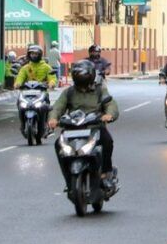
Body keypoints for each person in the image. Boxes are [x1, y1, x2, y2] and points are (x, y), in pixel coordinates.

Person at [48, 60, 120, 191]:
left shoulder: (99, 90)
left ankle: (105, 174)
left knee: (107, 141)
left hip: (94, 128)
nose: (81, 78)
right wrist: (53, 119)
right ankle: (68, 178)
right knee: (58, 144)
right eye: (78, 74)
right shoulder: (68, 92)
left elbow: (110, 104)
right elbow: (58, 107)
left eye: (84, 74)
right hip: (72, 129)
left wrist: (109, 115)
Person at [15, 44, 58, 130]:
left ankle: (47, 124)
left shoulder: (46, 67)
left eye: (36, 54)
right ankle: (23, 123)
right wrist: (18, 83)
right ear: (29, 55)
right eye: (32, 54)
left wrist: (51, 83)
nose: (34, 55)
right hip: (27, 92)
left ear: (40, 55)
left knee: (46, 107)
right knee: (20, 104)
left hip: (42, 93)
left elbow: (52, 78)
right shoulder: (25, 68)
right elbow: (20, 77)